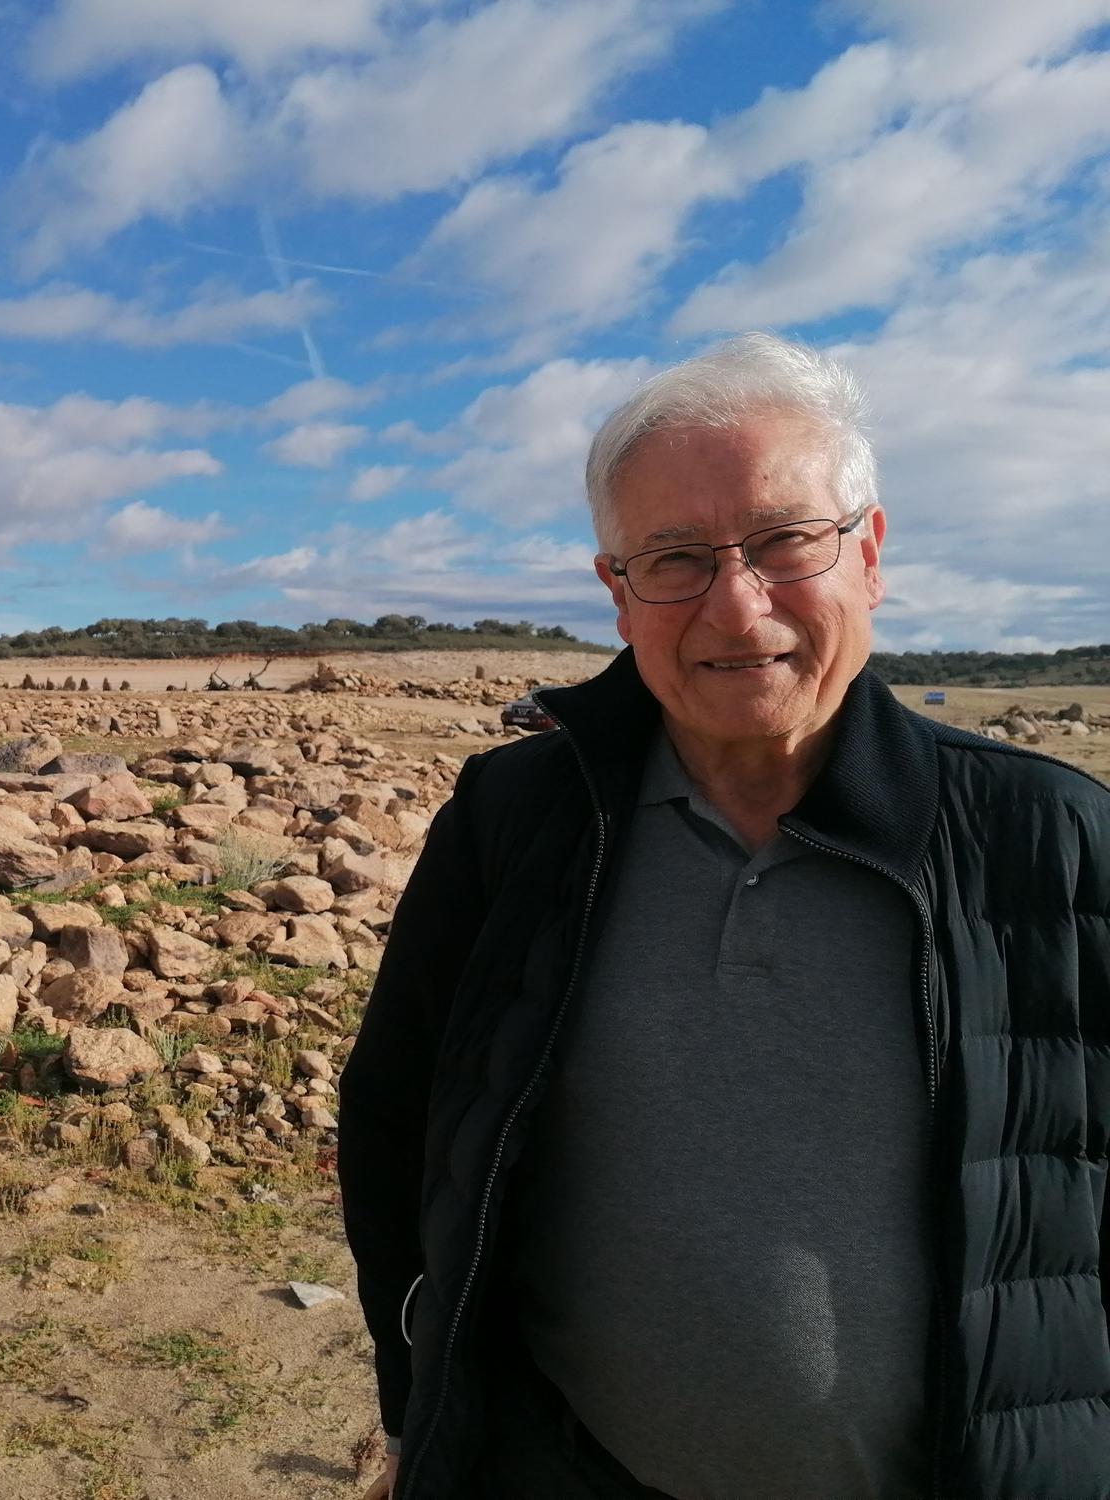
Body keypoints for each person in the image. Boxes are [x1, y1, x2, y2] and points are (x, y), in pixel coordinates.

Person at [341, 333, 1110, 1499]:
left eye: (783, 541)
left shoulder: (1047, 842)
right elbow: (400, 1116)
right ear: (614, 592)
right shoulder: (517, 817)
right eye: (674, 558)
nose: (736, 606)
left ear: (869, 552)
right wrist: (423, 1402)